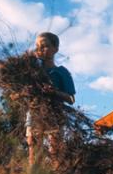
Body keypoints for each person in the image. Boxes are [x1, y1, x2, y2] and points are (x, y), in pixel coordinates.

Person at [26, 32, 76, 166]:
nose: (39, 49)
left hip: (55, 114)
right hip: (34, 113)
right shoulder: (30, 72)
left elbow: (71, 99)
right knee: (34, 149)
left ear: (55, 49)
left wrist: (55, 92)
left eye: (45, 46)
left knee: (55, 150)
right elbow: (14, 94)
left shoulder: (61, 72)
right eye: (37, 46)